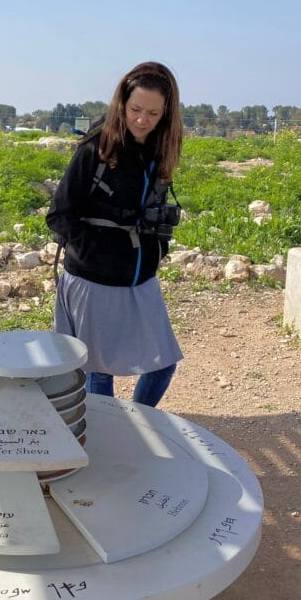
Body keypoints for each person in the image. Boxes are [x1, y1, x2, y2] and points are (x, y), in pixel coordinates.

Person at [46, 61, 184, 407]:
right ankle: (109, 436)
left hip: (140, 276)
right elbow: (59, 214)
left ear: (166, 114)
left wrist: (158, 249)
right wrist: (95, 253)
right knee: (99, 371)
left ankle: (137, 421)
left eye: (153, 113)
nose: (142, 120)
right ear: (121, 104)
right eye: (135, 109)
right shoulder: (95, 147)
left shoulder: (160, 150)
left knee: (163, 362)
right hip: (94, 278)